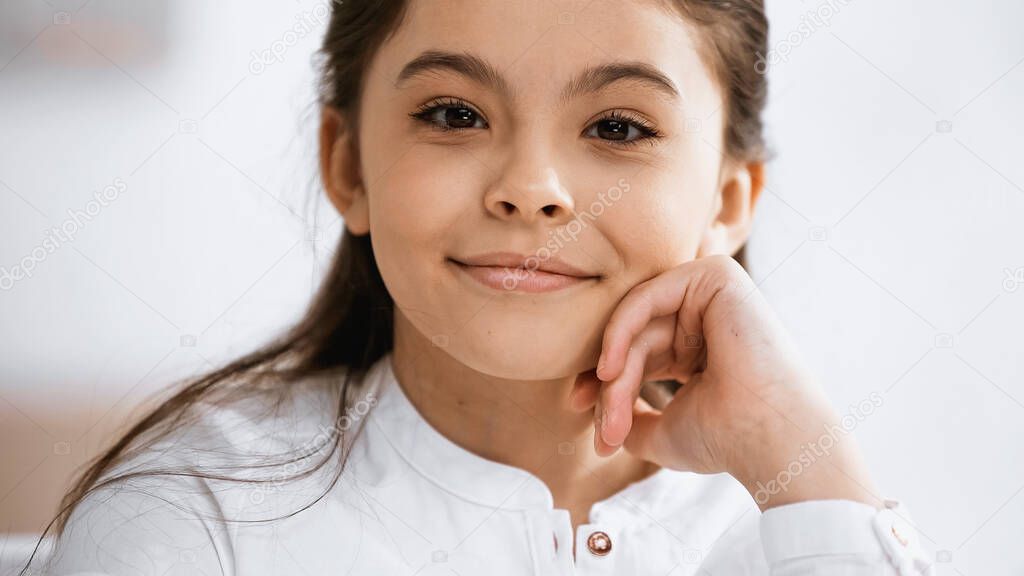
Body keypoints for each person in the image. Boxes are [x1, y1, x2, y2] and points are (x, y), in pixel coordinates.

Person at [25, 0, 934, 574]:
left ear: (729, 202)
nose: (533, 185)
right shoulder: (191, 524)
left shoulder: (807, 532)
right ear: (348, 167)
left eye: (618, 126)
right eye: (454, 113)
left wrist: (812, 470)